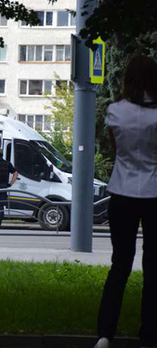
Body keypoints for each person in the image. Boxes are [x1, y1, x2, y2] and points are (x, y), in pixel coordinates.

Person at [93, 54, 157, 348]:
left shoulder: (115, 111)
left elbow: (116, 147)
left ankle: (105, 334)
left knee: (120, 265)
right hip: (154, 194)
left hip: (121, 192)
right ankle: (149, 336)